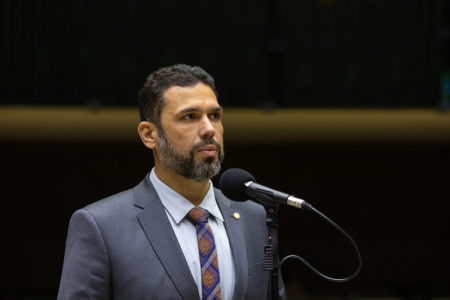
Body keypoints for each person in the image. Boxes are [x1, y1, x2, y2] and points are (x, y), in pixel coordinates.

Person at [57, 64, 285, 299]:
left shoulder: (254, 218)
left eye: (214, 116)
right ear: (149, 135)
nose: (208, 129)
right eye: (190, 117)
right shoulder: (102, 226)